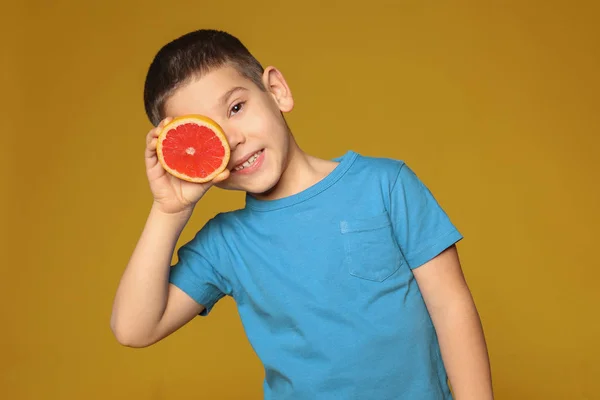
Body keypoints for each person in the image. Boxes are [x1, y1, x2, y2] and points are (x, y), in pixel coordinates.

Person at [110, 29, 493, 399]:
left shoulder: (385, 185)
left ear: (276, 91)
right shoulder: (225, 244)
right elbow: (133, 328)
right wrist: (169, 210)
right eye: (207, 135)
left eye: (236, 108)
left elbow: (451, 307)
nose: (231, 140)